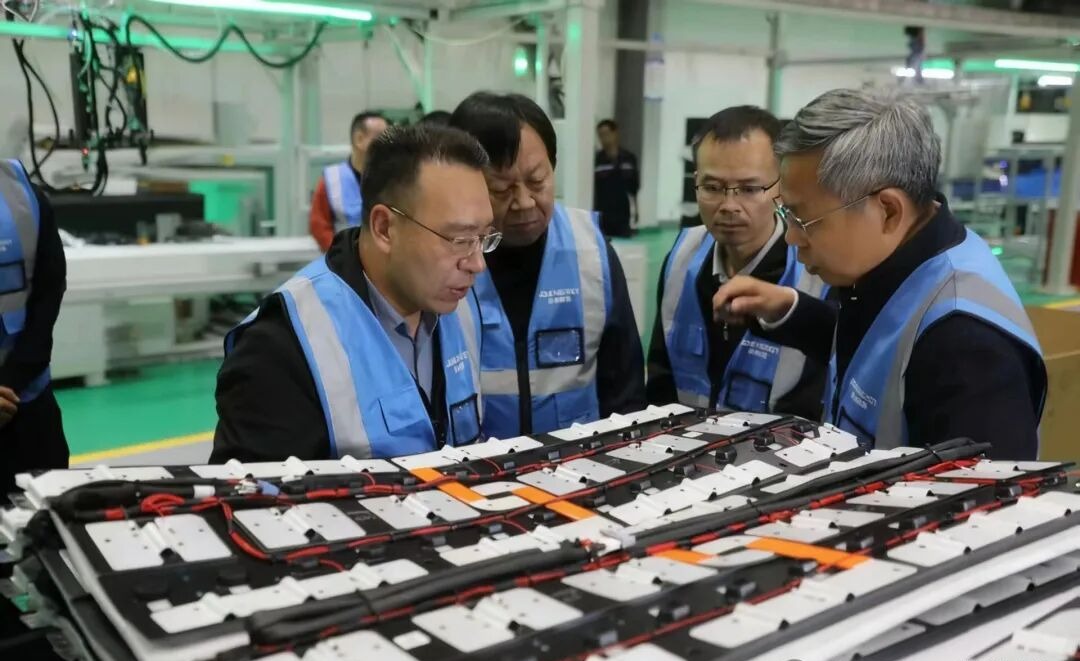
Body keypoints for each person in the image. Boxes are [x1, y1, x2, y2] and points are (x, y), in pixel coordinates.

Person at [713, 89, 1046, 458]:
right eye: (786, 215)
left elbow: (978, 493)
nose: (792, 237)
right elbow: (882, 352)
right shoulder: (895, 260)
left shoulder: (967, 350)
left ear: (888, 210)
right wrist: (790, 310)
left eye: (804, 219)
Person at [213, 125, 499, 462]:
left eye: (484, 238)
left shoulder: (460, 309)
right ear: (384, 228)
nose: (477, 263)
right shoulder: (284, 346)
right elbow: (255, 493)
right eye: (460, 240)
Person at [450, 93, 646, 440]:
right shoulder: (444, 258)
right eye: (502, 189)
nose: (525, 202)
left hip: (581, 464)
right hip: (478, 468)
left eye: (538, 181)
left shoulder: (591, 250)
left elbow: (625, 389)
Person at [646, 106, 827, 419]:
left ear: (781, 187)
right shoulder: (681, 256)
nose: (729, 205)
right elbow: (661, 381)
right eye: (712, 188)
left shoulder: (816, 272)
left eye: (749, 189)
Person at [0, 159, 68, 499]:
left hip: (25, 405)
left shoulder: (22, 194)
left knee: (46, 517)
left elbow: (48, 292)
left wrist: (10, 384)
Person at [308, 112, 389, 252]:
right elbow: (319, 225)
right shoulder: (331, 179)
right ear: (359, 139)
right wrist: (340, 255)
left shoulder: (393, 178)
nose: (387, 144)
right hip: (342, 258)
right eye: (380, 136)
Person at [593, 119, 639, 238]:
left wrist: (636, 212)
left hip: (623, 214)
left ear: (615, 133)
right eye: (600, 135)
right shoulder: (597, 160)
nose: (604, 138)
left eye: (606, 134)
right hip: (602, 215)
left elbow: (634, 187)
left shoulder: (629, 158)